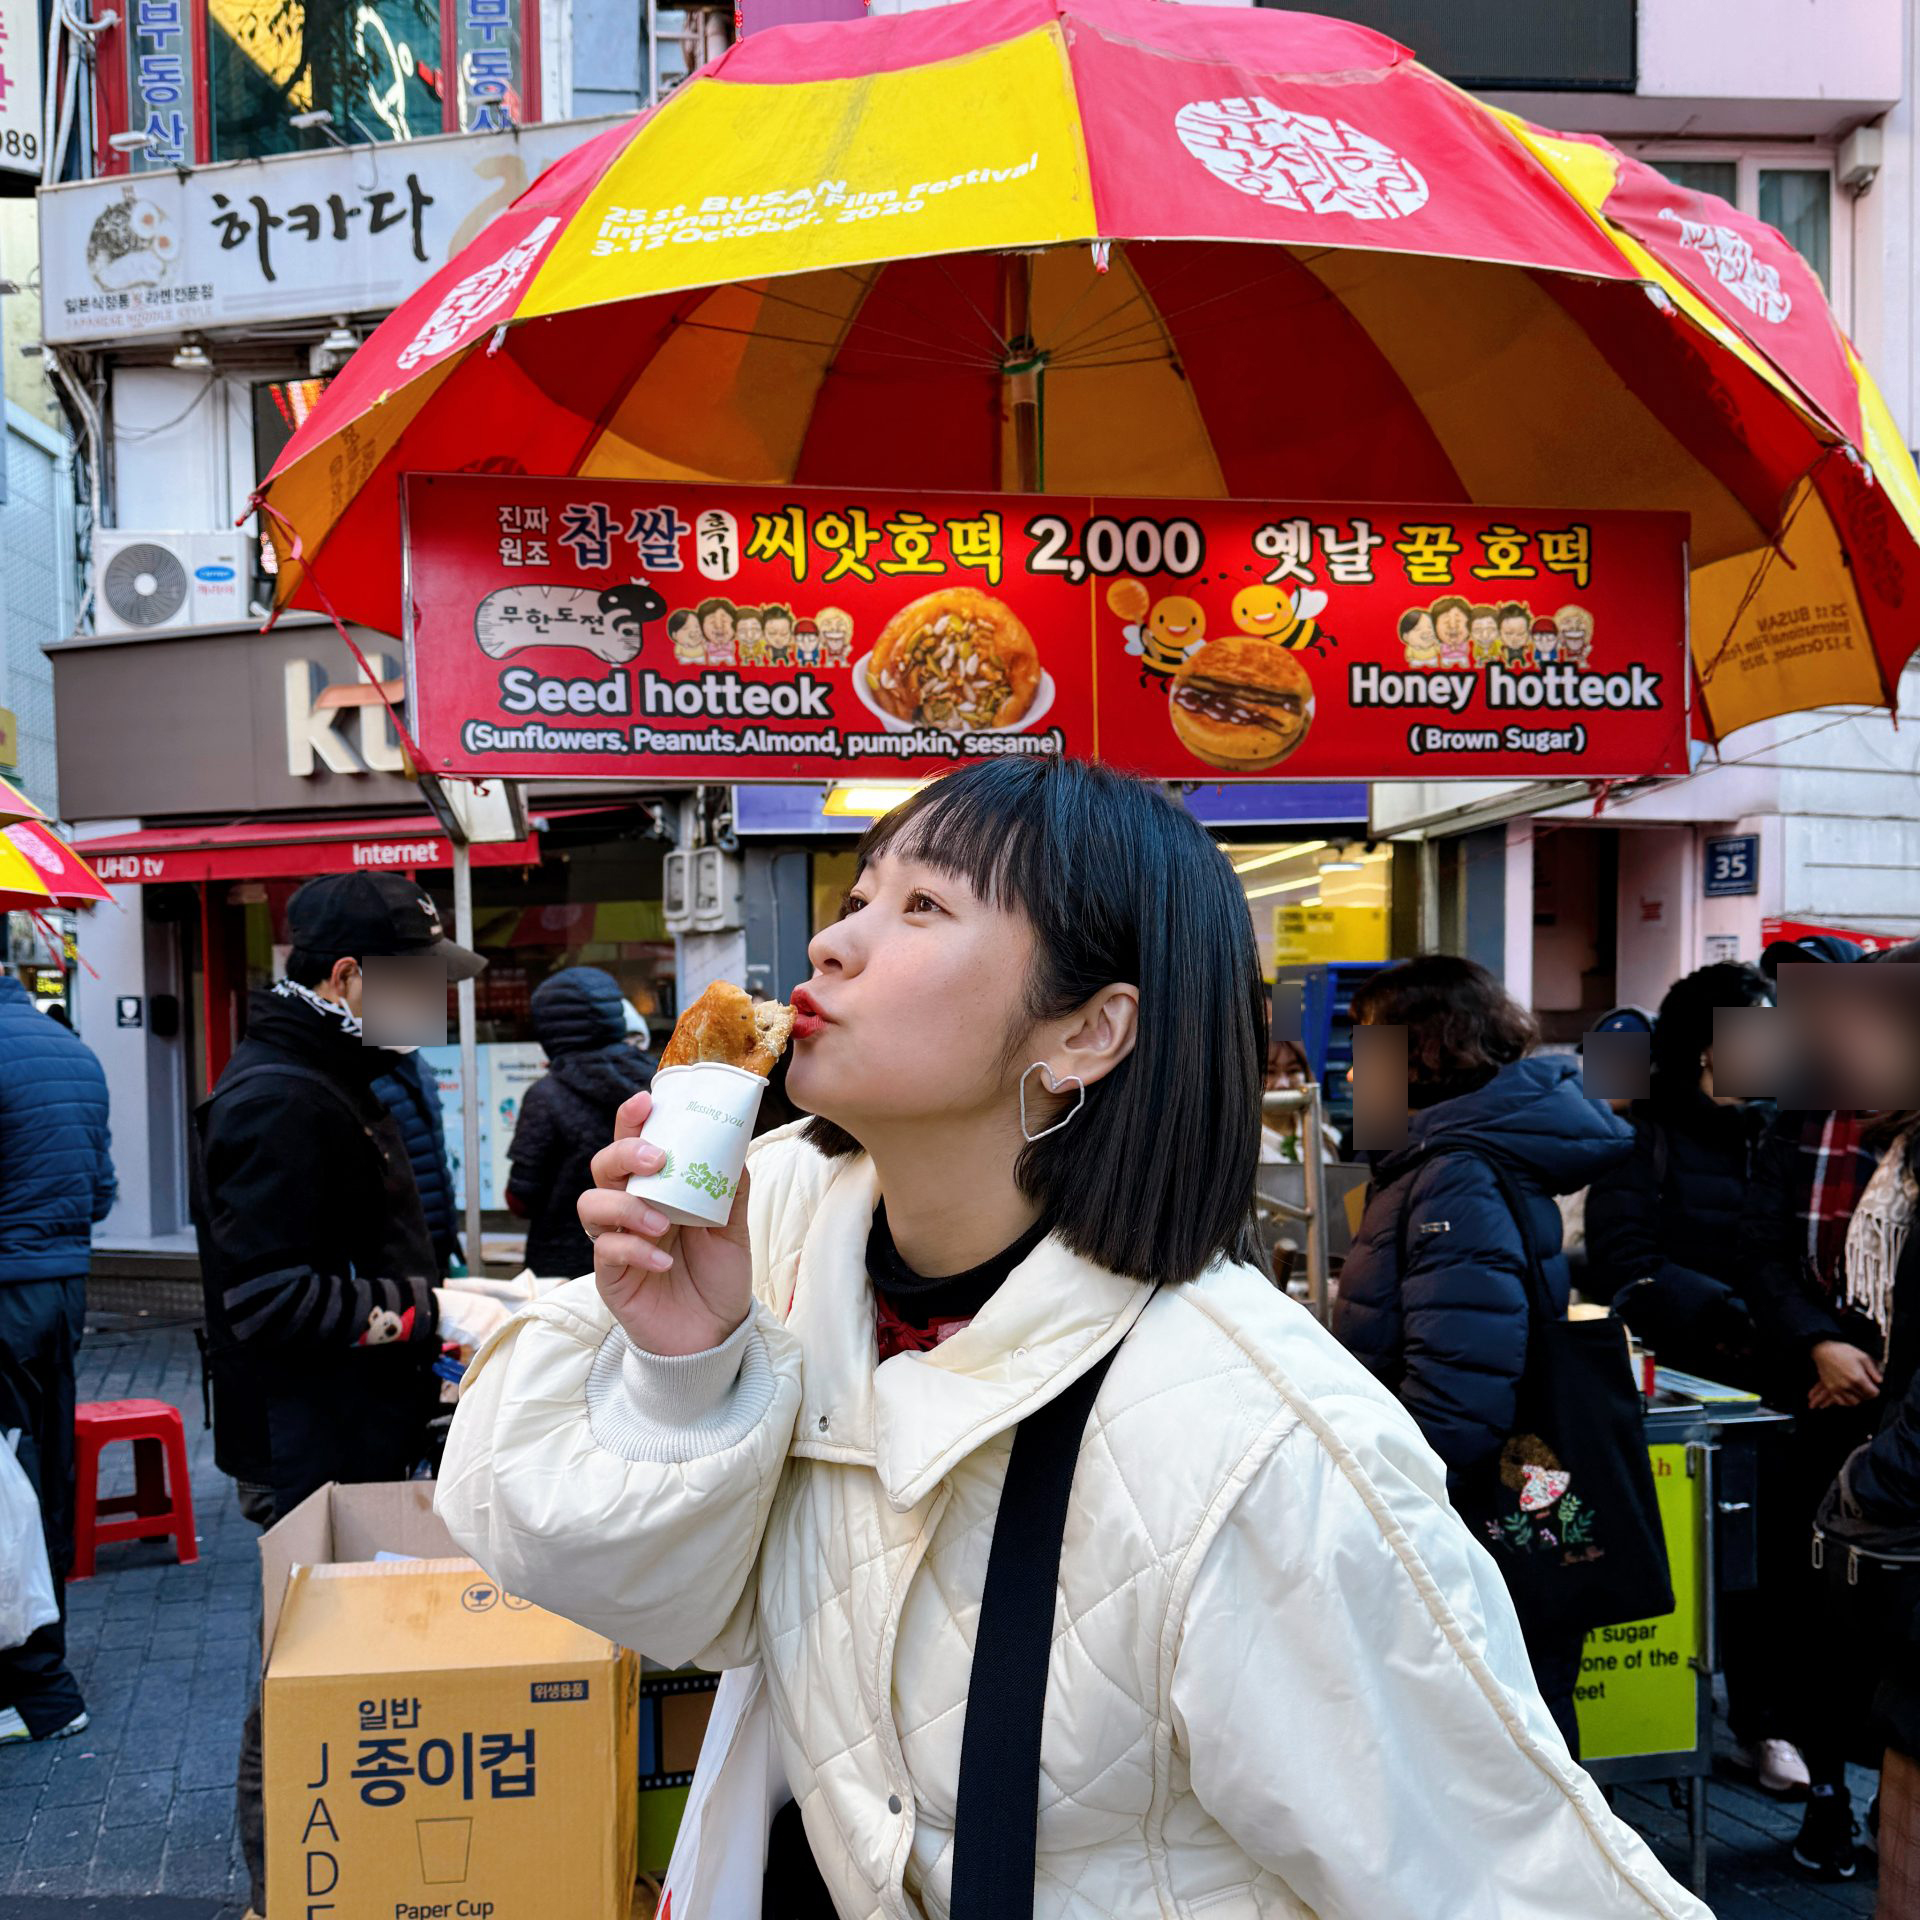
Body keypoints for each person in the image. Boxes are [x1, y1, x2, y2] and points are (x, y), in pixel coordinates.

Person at [438, 759, 1706, 1919]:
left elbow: (1507, 1878)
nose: (833, 936)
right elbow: (627, 1593)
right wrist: (677, 1364)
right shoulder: (769, 1236)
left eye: (922, 908)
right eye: (860, 893)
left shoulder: (1263, 1441)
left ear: (1088, 1032)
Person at [189, 871, 510, 1919]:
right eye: (422, 983)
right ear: (347, 979)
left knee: (338, 1671)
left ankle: (341, 1877)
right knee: (301, 1683)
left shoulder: (343, 1072)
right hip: (303, 1442)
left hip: (352, 1425)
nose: (438, 1005)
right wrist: (430, 1310)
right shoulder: (280, 1095)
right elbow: (270, 1299)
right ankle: (284, 1893)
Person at [1332, 954, 1634, 1756]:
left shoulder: (1453, 1173)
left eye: (1369, 1045)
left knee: (1501, 1736)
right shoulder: (1440, 1161)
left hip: (1470, 1519)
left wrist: (1395, 1505)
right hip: (1476, 1507)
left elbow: (1460, 1388)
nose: (1357, 1069)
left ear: (1422, 1050)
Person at [1585, 962, 1810, 1796]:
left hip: (1779, 1386)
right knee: (1682, 1561)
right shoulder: (1642, 1138)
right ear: (1703, 1047)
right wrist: (1722, 1311)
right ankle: (1672, 1721)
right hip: (1681, 1388)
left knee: (1768, 1568)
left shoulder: (1785, 1133)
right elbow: (1622, 1259)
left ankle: (1767, 1726)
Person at [0, 973, 115, 1745]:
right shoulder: (72, 1050)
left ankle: (34, 1688)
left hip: (4, 1286)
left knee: (9, 1485)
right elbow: (101, 1190)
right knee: (40, 1475)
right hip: (62, 1288)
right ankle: (47, 1679)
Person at [506, 967, 655, 1280]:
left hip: (561, 1272)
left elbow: (520, 1199)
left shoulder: (545, 1095)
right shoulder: (658, 1078)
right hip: (645, 1256)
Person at [373, 1050, 460, 1275]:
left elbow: (432, 1151)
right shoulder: (365, 1071)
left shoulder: (416, 1064)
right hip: (398, 1249)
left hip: (434, 1237)